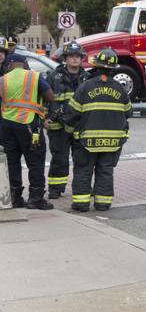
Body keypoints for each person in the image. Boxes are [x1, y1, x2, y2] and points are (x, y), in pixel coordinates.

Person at [63, 48, 131, 212]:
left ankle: (81, 204)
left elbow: (72, 113)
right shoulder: (120, 88)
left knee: (83, 170)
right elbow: (128, 111)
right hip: (113, 142)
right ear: (113, 69)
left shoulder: (85, 87)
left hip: (87, 141)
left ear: (96, 66)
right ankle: (103, 203)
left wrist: (68, 130)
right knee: (105, 171)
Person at [0, 53, 55, 210]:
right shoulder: (33, 77)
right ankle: (36, 198)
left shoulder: (3, 80)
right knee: (35, 161)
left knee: (12, 161)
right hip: (29, 126)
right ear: (24, 63)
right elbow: (51, 96)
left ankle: (15, 198)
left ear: (9, 66)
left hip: (6, 127)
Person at [44, 41, 90, 199]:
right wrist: (44, 117)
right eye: (72, 56)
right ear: (66, 58)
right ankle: (55, 189)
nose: (75, 59)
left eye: (78, 56)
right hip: (58, 127)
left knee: (82, 161)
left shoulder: (87, 78)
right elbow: (43, 99)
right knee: (59, 159)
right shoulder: (53, 77)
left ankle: (82, 188)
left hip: (79, 126)